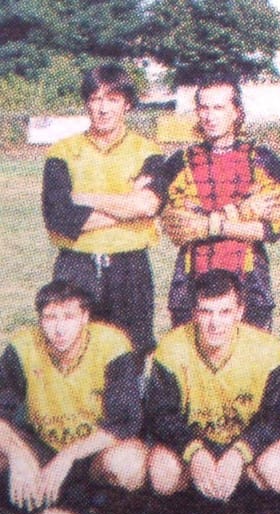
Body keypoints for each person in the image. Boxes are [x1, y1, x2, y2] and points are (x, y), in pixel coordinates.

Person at [144, 270, 280, 514]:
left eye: (225, 312)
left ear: (240, 311)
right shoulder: (172, 348)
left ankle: (257, 510)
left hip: (242, 443)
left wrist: (240, 452)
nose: (215, 323)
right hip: (195, 442)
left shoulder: (267, 349)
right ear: (194, 313)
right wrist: (194, 451)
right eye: (206, 312)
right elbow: (160, 414)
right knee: (162, 471)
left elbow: (277, 414)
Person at [0, 281, 145, 514]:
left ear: (85, 317)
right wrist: (18, 454)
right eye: (50, 317)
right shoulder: (22, 347)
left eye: (68, 317)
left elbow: (126, 420)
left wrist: (69, 455)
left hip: (91, 453)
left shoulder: (111, 345)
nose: (59, 328)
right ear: (40, 319)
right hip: (42, 446)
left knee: (128, 461)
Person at [41, 63, 163, 360]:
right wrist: (127, 206)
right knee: (74, 351)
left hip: (130, 266)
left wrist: (84, 199)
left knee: (132, 352)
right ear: (87, 103)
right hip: (77, 265)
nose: (103, 108)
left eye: (112, 99)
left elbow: (148, 205)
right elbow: (59, 219)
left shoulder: (148, 152)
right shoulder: (62, 152)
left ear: (127, 104)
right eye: (96, 99)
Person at [156, 73, 280, 330]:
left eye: (218, 107)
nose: (210, 116)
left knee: (252, 350)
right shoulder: (179, 164)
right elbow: (180, 228)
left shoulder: (262, 161)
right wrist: (243, 209)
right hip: (192, 276)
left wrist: (208, 223)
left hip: (250, 279)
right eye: (203, 108)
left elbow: (271, 229)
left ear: (236, 112)